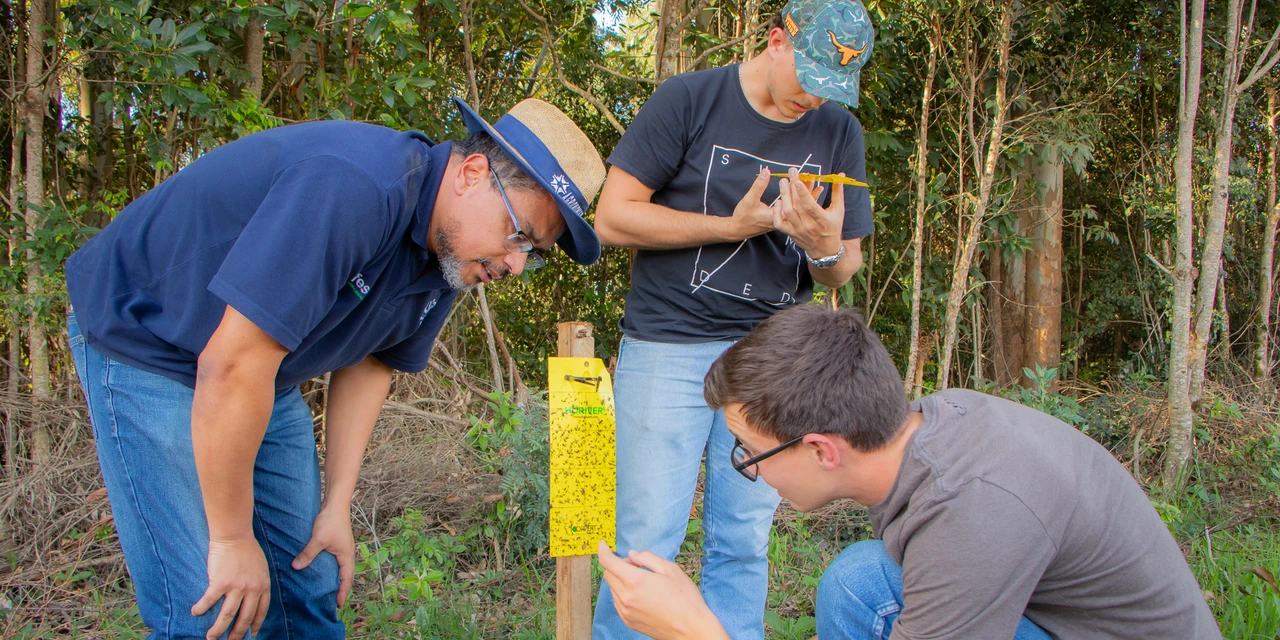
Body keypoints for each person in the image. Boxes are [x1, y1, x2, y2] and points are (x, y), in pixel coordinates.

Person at [63, 98, 605, 640]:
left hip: (261, 373)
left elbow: (373, 364)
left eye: (532, 253)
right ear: (472, 173)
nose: (514, 264)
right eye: (520, 235)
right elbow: (231, 364)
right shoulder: (354, 188)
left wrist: (337, 505)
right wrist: (231, 540)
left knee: (308, 581)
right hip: (150, 345)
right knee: (208, 609)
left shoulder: (455, 257)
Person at [597, 306, 1222, 640]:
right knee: (859, 581)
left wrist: (697, 631)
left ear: (822, 449)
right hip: (1053, 612)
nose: (749, 474)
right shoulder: (930, 429)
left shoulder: (971, 513)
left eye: (749, 454)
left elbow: (975, 534)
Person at [590, 0, 877, 636]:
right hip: (669, 344)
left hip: (773, 360)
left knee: (743, 539)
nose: (817, 99)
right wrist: (729, 227)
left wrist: (822, 248)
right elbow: (612, 218)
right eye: (812, 78)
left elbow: (843, 267)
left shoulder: (837, 132)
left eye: (835, 88)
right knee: (646, 536)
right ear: (777, 40)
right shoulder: (688, 99)